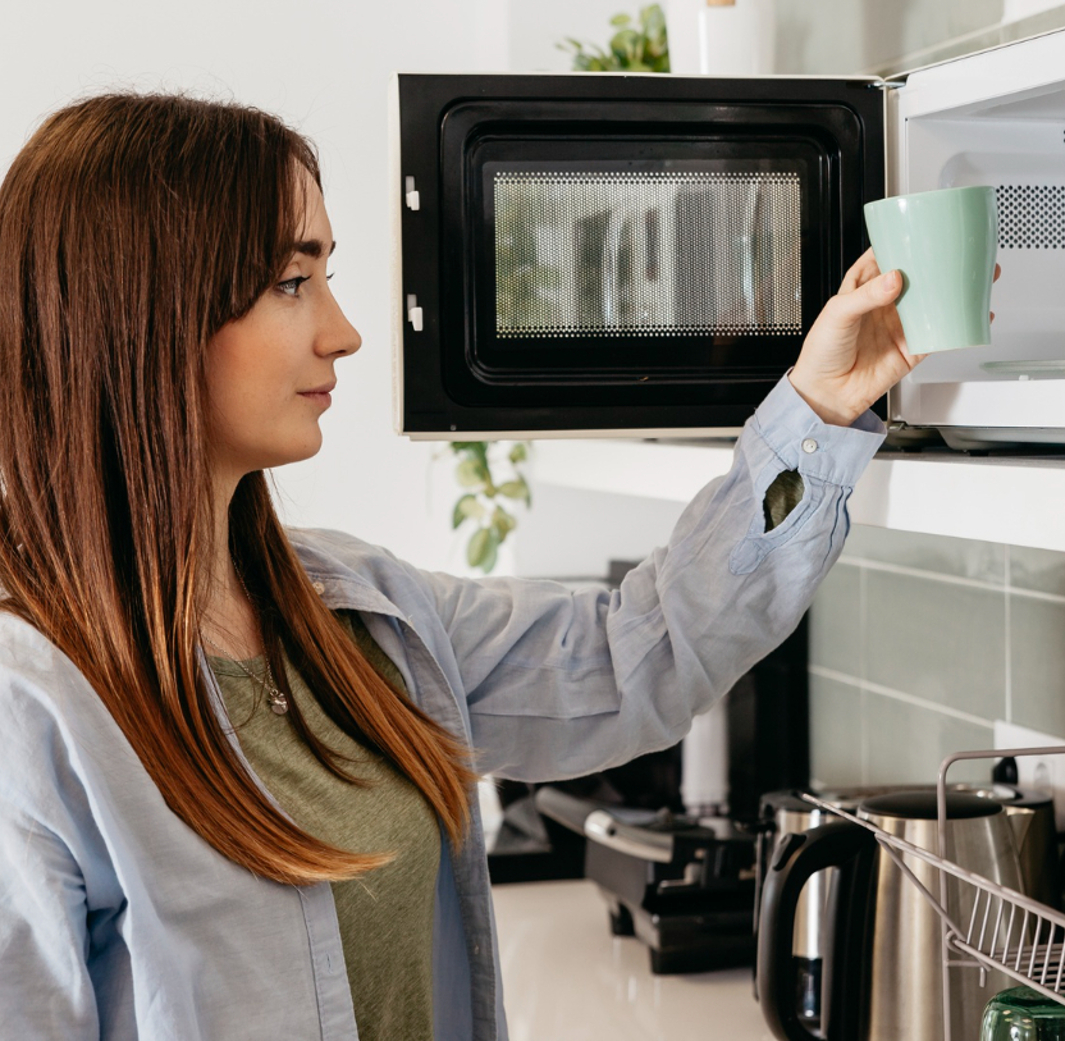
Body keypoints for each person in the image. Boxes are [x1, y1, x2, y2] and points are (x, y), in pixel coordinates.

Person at [0, 93, 921, 1041]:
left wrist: (817, 409)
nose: (344, 331)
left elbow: (629, 657)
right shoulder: (28, 713)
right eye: (291, 281)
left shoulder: (360, 613)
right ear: (143, 314)